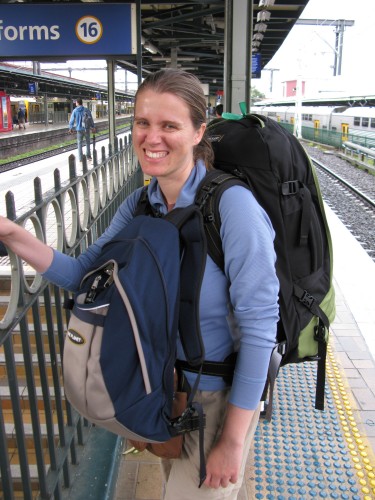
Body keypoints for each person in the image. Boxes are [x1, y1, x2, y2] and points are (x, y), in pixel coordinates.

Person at [0, 69, 279, 499]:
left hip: (216, 405)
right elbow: (82, 276)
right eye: (142, 123)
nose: (152, 137)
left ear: (198, 131)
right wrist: (11, 234)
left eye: (170, 125)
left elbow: (261, 327)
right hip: (162, 392)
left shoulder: (233, 208)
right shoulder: (141, 203)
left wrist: (234, 440)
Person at [68, 98, 96, 162]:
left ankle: (80, 158)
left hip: (79, 129)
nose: (75, 103)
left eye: (76, 102)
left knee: (79, 143)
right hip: (86, 129)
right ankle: (88, 157)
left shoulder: (75, 111)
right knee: (87, 143)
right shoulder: (86, 110)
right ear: (82, 103)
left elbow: (71, 120)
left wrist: (70, 128)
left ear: (77, 103)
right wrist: (93, 127)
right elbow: (90, 119)